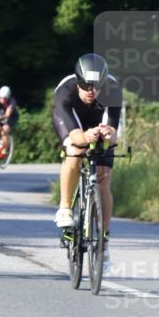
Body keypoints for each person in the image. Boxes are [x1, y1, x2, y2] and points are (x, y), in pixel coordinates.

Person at [52, 53, 121, 275]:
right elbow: (77, 137)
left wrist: (107, 135)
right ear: (78, 81)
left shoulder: (113, 90)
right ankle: (64, 208)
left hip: (98, 125)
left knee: (103, 179)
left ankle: (104, 243)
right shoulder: (65, 91)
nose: (91, 91)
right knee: (74, 151)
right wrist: (86, 137)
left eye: (96, 86)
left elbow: (114, 136)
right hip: (72, 122)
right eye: (86, 86)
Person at [0, 85, 19, 156]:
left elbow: (8, 114)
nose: (2, 100)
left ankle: (5, 149)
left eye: (5, 98)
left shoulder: (12, 101)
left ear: (8, 97)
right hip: (2, 115)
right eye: (1, 98)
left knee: (4, 130)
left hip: (11, 117)